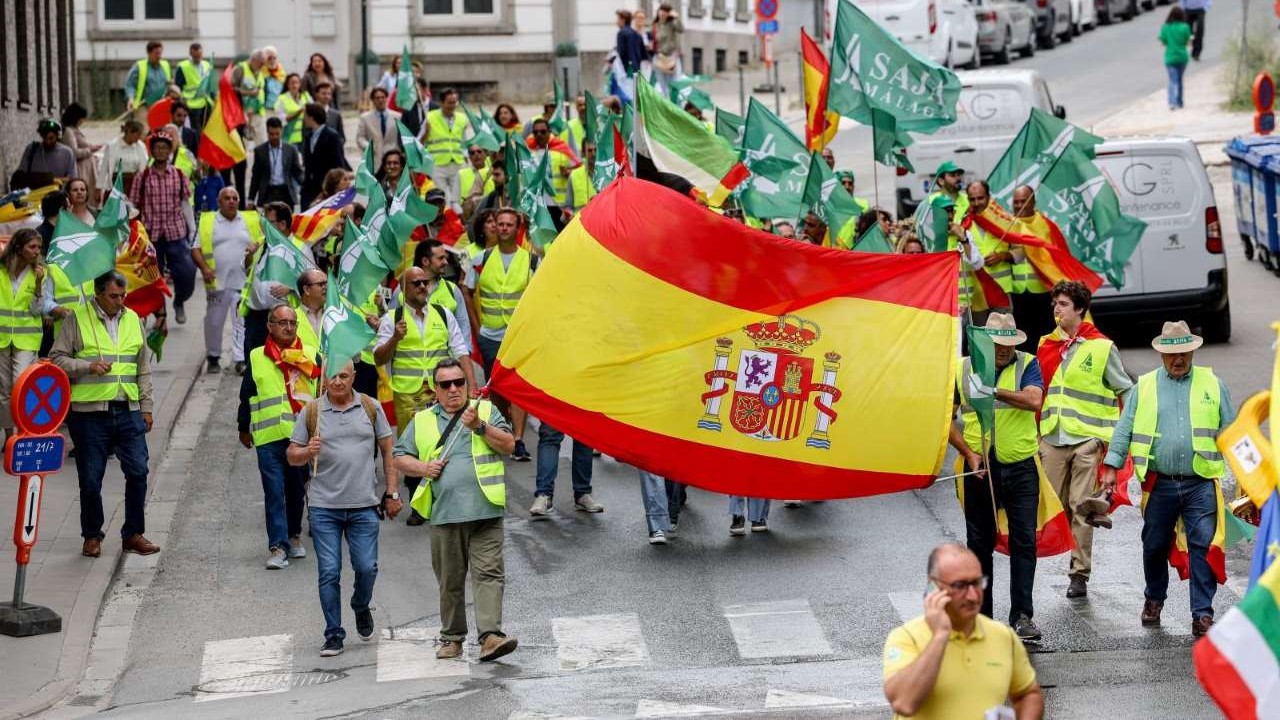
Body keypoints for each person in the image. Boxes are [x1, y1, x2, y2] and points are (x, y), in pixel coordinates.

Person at [1102, 321, 1232, 637]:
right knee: (1154, 545)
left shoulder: (1213, 384)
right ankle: (1154, 598)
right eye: (1172, 354)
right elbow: (1124, 428)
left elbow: (1233, 431)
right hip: (1159, 483)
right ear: (1161, 354)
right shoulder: (1144, 386)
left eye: (1184, 353)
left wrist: (1250, 474)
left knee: (1202, 546)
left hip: (1200, 481)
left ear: (1193, 352)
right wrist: (1111, 466)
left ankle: (1202, 613)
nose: (1178, 359)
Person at [392, 359, 519, 662]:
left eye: (459, 382)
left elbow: (509, 445)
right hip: (445, 513)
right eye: (445, 384)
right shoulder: (422, 420)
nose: (453, 389)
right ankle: (452, 638)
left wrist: (479, 427)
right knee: (450, 580)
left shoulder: (485, 410)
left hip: (486, 510)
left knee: (489, 574)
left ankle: (490, 636)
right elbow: (399, 457)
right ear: (435, 389)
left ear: (467, 384)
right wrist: (424, 467)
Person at [288, 361, 399, 658]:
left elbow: (389, 451)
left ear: (354, 377)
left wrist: (392, 492)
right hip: (324, 507)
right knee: (329, 571)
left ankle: (360, 605)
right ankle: (333, 634)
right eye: (332, 376)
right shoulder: (312, 411)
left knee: (366, 567)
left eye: (344, 376)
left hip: (364, 506)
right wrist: (307, 451)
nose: (337, 381)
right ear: (324, 379)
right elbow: (292, 455)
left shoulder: (370, 407)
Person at [949, 313, 1045, 641]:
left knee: (1024, 542)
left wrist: (994, 391)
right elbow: (944, 420)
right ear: (985, 343)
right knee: (979, 545)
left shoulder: (1027, 363)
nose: (1005, 350)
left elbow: (1034, 400)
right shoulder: (962, 369)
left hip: (1021, 466)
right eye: (997, 344)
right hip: (979, 467)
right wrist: (968, 452)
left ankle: (1022, 615)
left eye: (1009, 344)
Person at [51, 271, 159, 559]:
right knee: (90, 478)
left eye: (123, 295)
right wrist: (87, 367)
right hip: (89, 413)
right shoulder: (77, 319)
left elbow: (143, 368)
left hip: (128, 410)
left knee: (138, 471)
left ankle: (133, 534)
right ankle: (91, 535)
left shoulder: (133, 319)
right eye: (113, 296)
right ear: (98, 294)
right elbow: (56, 358)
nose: (120, 301)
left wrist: (147, 406)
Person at [1037, 280, 1133, 600]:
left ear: (1079, 309)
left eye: (1063, 304)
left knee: (1079, 505)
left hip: (1087, 440)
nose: (1057, 309)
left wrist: (1122, 435)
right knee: (1054, 504)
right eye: (1055, 304)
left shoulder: (1102, 347)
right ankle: (1092, 515)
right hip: (1052, 437)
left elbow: (1126, 390)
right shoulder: (1046, 345)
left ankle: (1079, 573)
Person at [883, 544, 1043, 719]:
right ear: (933, 588)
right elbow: (904, 703)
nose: (973, 596)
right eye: (960, 586)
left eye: (977, 583)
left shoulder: (1003, 636)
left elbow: (1028, 694)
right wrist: (940, 637)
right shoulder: (906, 638)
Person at [240, 304, 321, 569]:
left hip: (300, 439)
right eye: (282, 323)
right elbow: (247, 393)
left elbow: (322, 395)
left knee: (296, 491)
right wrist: (243, 427)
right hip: (268, 437)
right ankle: (277, 546)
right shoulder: (257, 356)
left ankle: (294, 534)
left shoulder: (310, 356)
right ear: (270, 326)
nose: (288, 328)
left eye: (292, 323)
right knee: (274, 491)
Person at [474, 209, 534, 460]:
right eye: (500, 224)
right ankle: (505, 427)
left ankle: (518, 439)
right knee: (497, 386)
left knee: (517, 386)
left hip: (518, 335)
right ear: (495, 227)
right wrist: (477, 327)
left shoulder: (531, 261)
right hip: (490, 334)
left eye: (510, 224)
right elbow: (466, 289)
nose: (505, 228)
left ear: (517, 228)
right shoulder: (482, 257)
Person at [194, 187, 265, 374]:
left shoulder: (250, 219)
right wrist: (204, 268)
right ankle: (213, 357)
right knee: (214, 322)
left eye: (235, 198)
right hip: (217, 284)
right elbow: (195, 249)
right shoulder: (208, 221)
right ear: (219, 201)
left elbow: (263, 242)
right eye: (227, 198)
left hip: (243, 283)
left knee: (241, 323)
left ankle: (240, 359)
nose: (231, 201)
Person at [129, 133, 195, 324]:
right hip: (151, 236)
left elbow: (185, 203)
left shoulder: (178, 175)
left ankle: (179, 301)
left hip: (176, 232)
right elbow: (132, 205)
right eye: (157, 148)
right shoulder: (142, 177)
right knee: (153, 277)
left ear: (170, 151)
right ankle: (161, 315)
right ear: (152, 151)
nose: (161, 151)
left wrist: (192, 230)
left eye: (164, 148)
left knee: (187, 273)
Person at [0, 229, 50, 433]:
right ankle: (8, 435)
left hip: (27, 338)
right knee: (4, 391)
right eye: (32, 247)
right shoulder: (1, 270)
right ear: (19, 248)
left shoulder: (39, 273)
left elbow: (37, 309)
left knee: (20, 385)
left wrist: (38, 284)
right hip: (2, 337)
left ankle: (22, 431)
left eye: (39, 247)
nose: (37, 251)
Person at [1007, 186, 1058, 343]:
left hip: (1043, 291)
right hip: (1017, 292)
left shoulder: (1044, 225)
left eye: (1023, 201)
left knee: (1045, 337)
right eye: (1016, 202)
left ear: (1033, 202)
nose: (1019, 205)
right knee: (1022, 339)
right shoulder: (1007, 224)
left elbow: (1056, 256)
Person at [964, 181, 1013, 311]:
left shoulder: (1004, 220)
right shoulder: (964, 223)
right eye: (972, 199)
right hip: (977, 293)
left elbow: (1022, 251)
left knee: (1004, 325)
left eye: (980, 198)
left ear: (988, 197)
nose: (976, 203)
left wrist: (1003, 256)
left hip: (1001, 290)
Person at [423, 88, 470, 210]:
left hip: (458, 163)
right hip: (437, 164)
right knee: (443, 198)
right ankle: (446, 218)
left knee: (458, 198)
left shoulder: (462, 118)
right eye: (449, 102)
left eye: (454, 102)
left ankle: (457, 220)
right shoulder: (430, 117)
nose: (452, 105)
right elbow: (421, 141)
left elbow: (464, 140)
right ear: (441, 102)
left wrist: (466, 157)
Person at [302, 103, 351, 209]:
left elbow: (338, 163)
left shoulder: (332, 136)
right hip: (310, 189)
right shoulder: (308, 136)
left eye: (305, 115)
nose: (304, 119)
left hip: (327, 189)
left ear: (312, 117)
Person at [248, 117, 303, 210]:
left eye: (277, 134)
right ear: (267, 133)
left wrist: (307, 187)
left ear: (282, 131)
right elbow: (256, 177)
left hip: (285, 192)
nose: (274, 137)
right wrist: (251, 199)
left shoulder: (290, 150)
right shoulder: (260, 151)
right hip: (268, 193)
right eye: (271, 134)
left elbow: (297, 172)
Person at [98, 120, 149, 205]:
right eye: (138, 134)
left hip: (134, 184)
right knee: (114, 207)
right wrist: (98, 188)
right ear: (129, 132)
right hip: (117, 183)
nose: (139, 137)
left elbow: (145, 165)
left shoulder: (140, 146)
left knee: (132, 208)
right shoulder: (113, 145)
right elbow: (104, 167)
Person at [60, 103, 101, 205]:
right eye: (82, 118)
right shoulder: (68, 131)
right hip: (81, 170)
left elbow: (81, 145)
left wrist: (92, 147)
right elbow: (74, 152)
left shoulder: (74, 130)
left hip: (86, 170)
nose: (83, 121)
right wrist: (90, 150)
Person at [17, 119, 78, 186]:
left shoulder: (67, 153)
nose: (47, 141)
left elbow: (73, 179)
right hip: (34, 191)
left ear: (58, 136)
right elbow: (21, 175)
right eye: (44, 138)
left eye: (51, 138)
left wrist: (51, 180)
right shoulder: (31, 150)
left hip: (59, 191)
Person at [357, 87, 402, 167]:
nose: (380, 100)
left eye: (383, 97)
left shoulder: (398, 117)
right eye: (377, 98)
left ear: (387, 98)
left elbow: (402, 138)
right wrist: (368, 147)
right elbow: (360, 138)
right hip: (374, 160)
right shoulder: (365, 118)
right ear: (373, 100)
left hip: (393, 160)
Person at [1159, 6, 1192, 110]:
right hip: (1182, 57)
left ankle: (1172, 102)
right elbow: (1188, 42)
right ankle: (1180, 101)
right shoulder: (1185, 27)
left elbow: (1163, 42)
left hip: (1170, 57)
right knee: (1180, 79)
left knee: (1172, 80)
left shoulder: (1166, 27)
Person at [174, 43, 213, 131]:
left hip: (205, 102)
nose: (198, 58)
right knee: (195, 129)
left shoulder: (207, 65)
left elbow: (210, 84)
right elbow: (178, 86)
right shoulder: (183, 67)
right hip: (191, 104)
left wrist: (213, 98)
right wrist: (181, 101)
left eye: (199, 56)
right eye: (195, 56)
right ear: (191, 54)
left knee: (207, 129)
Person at [124, 41, 171, 112]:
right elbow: (130, 85)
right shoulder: (139, 66)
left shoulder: (165, 65)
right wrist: (131, 98)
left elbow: (169, 83)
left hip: (161, 105)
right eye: (156, 53)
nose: (159, 56)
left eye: (160, 53)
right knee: (143, 119)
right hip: (143, 106)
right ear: (149, 53)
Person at [652, 3, 685, 95]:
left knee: (674, 84)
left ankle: (673, 101)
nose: (663, 13)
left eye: (666, 11)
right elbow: (655, 40)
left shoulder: (672, 23)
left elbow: (681, 29)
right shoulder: (655, 25)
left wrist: (676, 17)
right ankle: (665, 101)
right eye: (661, 10)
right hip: (659, 58)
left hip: (671, 58)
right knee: (662, 85)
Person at [294, 268, 327, 355]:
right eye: (321, 284)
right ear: (307, 290)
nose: (326, 287)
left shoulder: (336, 315)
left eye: (327, 283)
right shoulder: (290, 318)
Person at [275, 74, 312, 149]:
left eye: (297, 82)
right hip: (289, 137)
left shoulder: (306, 96)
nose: (295, 85)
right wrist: (299, 112)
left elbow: (314, 112)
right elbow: (282, 119)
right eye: (292, 83)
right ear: (288, 85)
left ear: (300, 84)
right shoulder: (281, 98)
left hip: (305, 136)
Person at [458, 146, 495, 220]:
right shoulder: (460, 174)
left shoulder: (494, 172)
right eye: (472, 153)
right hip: (469, 216)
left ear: (486, 154)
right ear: (469, 157)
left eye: (479, 151)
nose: (476, 154)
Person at [565, 140, 596, 217]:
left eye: (595, 150)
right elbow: (568, 206)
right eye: (589, 150)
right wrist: (568, 214)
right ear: (583, 153)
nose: (593, 153)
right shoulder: (574, 175)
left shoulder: (608, 175)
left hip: (601, 222)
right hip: (580, 222)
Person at [261, 46, 288, 120]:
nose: (272, 61)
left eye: (274, 58)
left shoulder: (282, 73)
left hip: (280, 110)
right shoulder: (260, 73)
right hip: (265, 110)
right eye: (269, 58)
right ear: (264, 59)